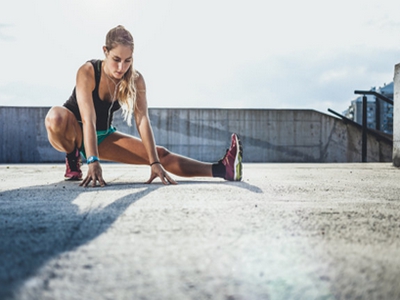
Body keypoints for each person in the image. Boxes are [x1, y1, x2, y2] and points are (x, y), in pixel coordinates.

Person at [45, 25, 242, 187]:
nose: (121, 68)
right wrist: (93, 160)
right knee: (56, 117)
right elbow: (88, 119)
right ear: (105, 51)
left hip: (102, 135)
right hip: (72, 130)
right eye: (116, 60)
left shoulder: (136, 79)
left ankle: (222, 169)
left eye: (127, 61)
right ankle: (73, 156)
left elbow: (142, 119)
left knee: (160, 154)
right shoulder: (87, 71)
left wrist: (154, 161)